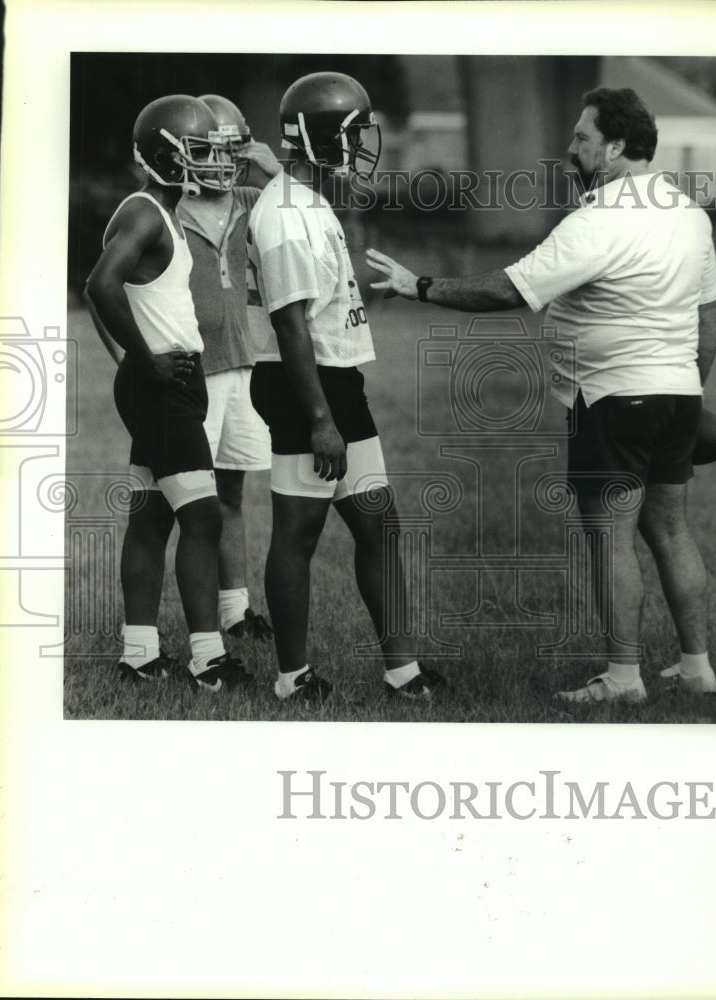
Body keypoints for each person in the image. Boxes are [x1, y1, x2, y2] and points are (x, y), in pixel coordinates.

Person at [366, 86, 716, 703]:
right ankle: (698, 669)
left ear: (615, 146)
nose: (571, 147)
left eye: (583, 137)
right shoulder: (689, 212)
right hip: (677, 394)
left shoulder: (597, 220)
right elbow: (708, 318)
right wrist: (689, 389)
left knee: (611, 536)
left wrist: (417, 285)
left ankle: (624, 679)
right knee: (671, 529)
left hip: (613, 398)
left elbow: (508, 290)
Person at [242, 71, 447, 703]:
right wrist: (320, 418)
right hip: (306, 385)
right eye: (354, 132)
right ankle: (291, 678)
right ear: (324, 137)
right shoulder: (283, 214)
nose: (362, 145)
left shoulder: (309, 196)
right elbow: (290, 324)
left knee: (379, 524)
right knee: (299, 534)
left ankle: (402, 672)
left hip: (335, 380)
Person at [85, 94, 249, 693]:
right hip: (164, 387)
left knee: (152, 519)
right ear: (165, 155)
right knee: (203, 518)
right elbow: (99, 284)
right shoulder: (147, 212)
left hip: (173, 382)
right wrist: (144, 361)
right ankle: (208, 660)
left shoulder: (164, 210)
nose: (213, 163)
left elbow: (114, 294)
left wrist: (141, 362)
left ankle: (138, 653)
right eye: (200, 151)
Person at [177, 94, 279, 645]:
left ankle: (235, 611)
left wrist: (276, 168)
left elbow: (308, 209)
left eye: (230, 150)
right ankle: (191, 631)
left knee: (232, 494)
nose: (221, 162)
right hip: (195, 371)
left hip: (243, 364)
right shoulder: (169, 208)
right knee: (189, 502)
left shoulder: (252, 197)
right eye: (210, 150)